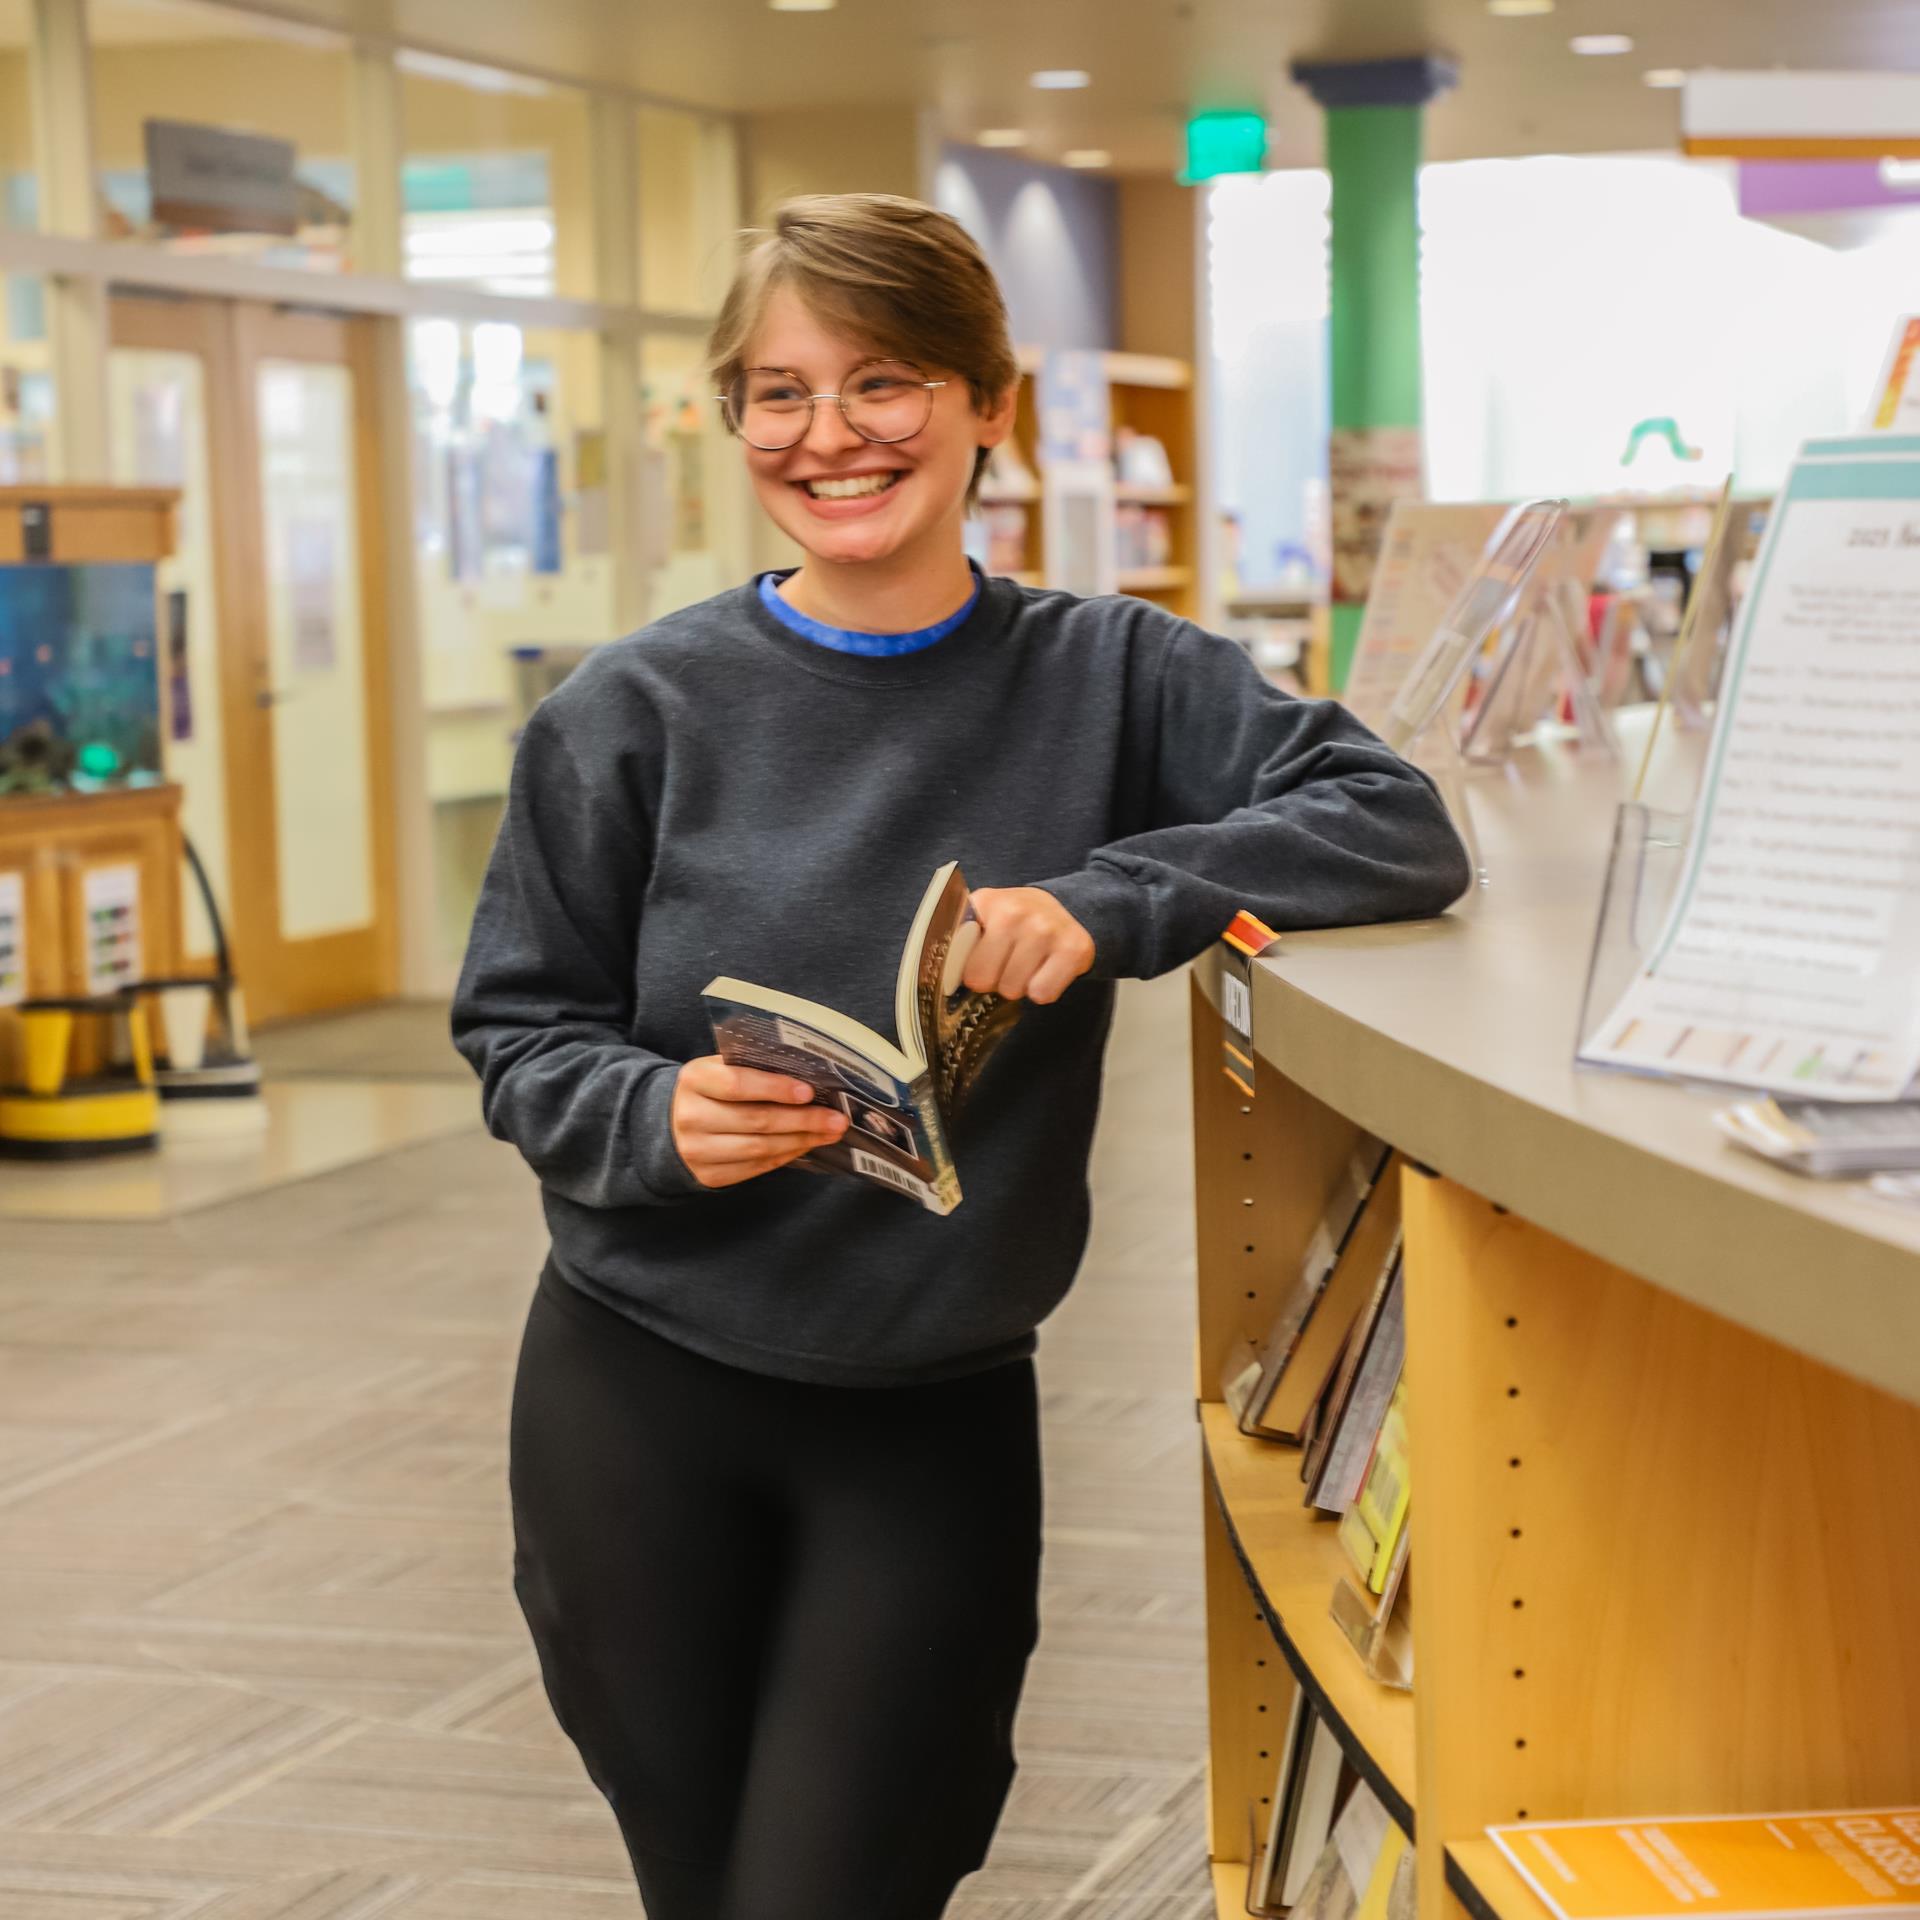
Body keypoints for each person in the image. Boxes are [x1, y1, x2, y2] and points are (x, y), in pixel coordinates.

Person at [452, 193, 1471, 1920]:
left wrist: (1114, 898)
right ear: (735, 420)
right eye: (778, 393)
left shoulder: (1115, 674)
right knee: (700, 1888)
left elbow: (1395, 823)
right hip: (632, 1397)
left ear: (990, 397)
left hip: (926, 1418)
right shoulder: (630, 712)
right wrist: (650, 1112)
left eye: (886, 381)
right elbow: (515, 1028)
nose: (831, 438)